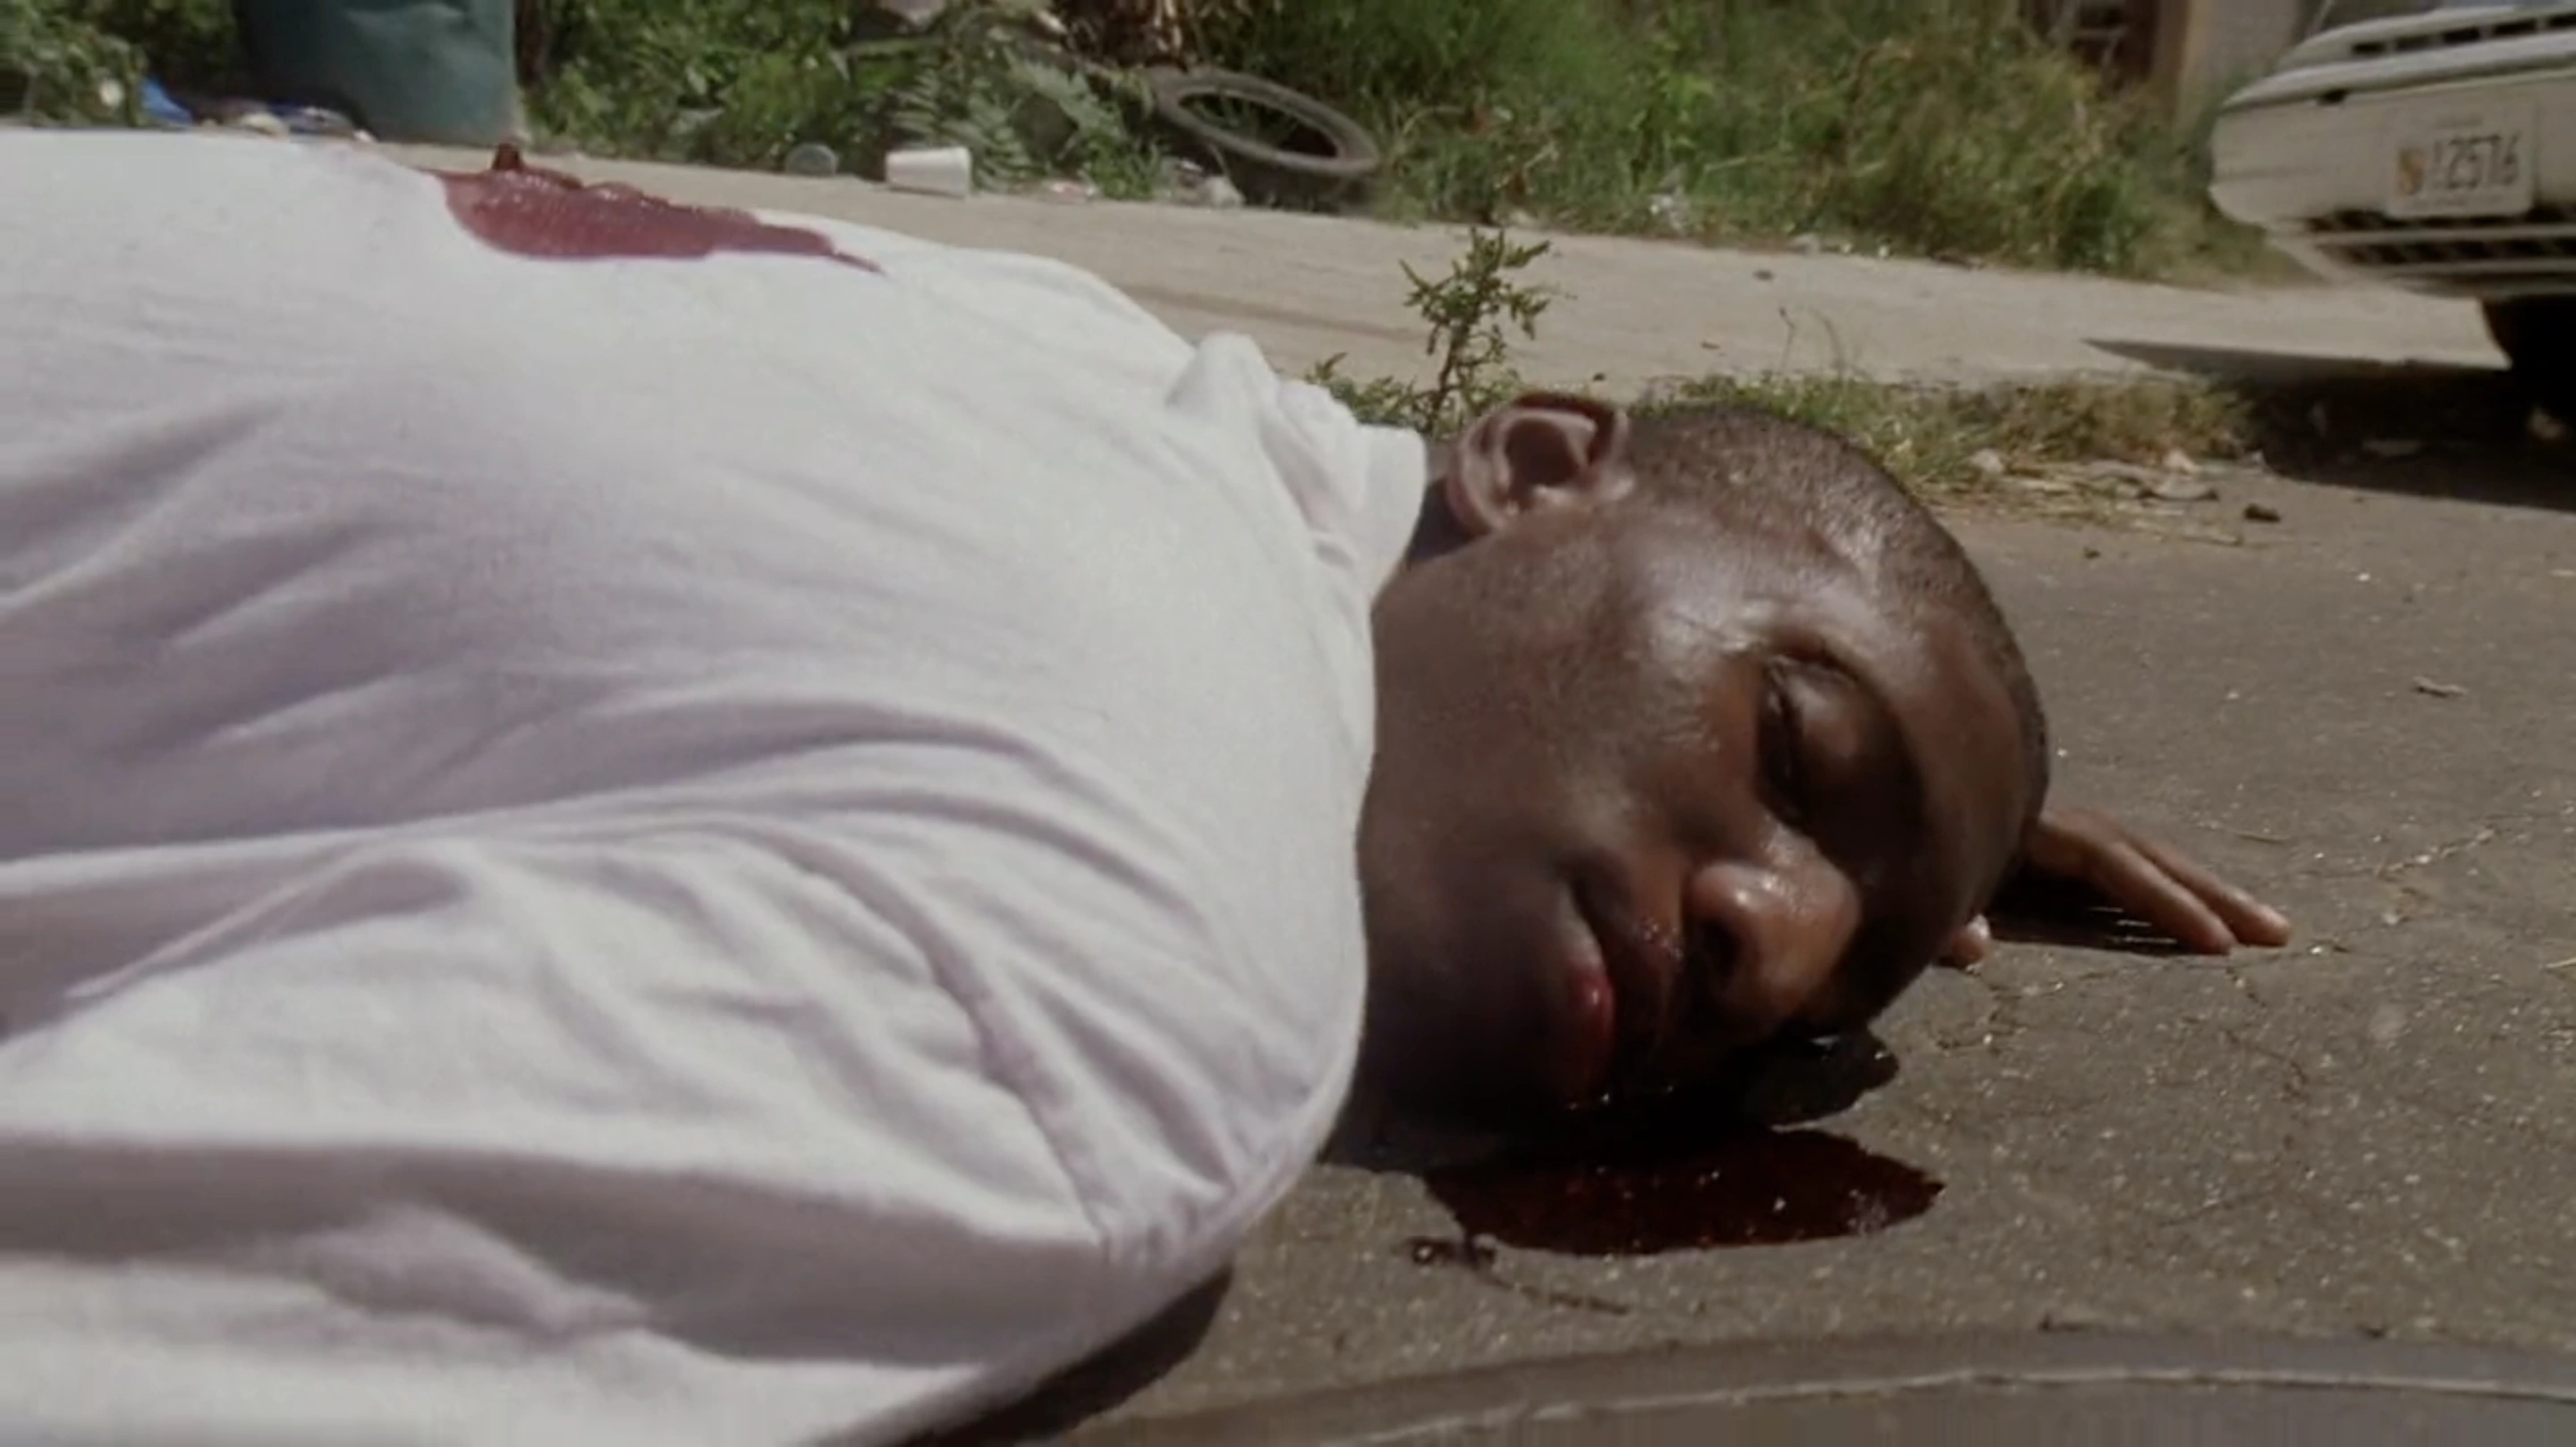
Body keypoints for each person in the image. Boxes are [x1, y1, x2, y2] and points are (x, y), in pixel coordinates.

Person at [0, 132, 2286, 1443]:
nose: (1772, 945)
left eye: (1830, 975)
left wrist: (1887, 814)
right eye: (1793, 746)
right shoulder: (1121, 976)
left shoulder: (1066, 369)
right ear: (1529, 461)